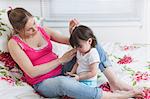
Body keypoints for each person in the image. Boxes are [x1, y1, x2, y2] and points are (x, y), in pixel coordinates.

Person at [7, 7, 143, 99]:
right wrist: (60, 60)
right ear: (18, 30)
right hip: (43, 81)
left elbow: (71, 42)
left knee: (91, 44)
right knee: (63, 83)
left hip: (62, 69)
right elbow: (32, 72)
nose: (35, 29)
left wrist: (73, 33)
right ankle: (115, 96)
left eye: (35, 24)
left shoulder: (43, 30)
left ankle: (114, 82)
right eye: (29, 29)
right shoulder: (14, 43)